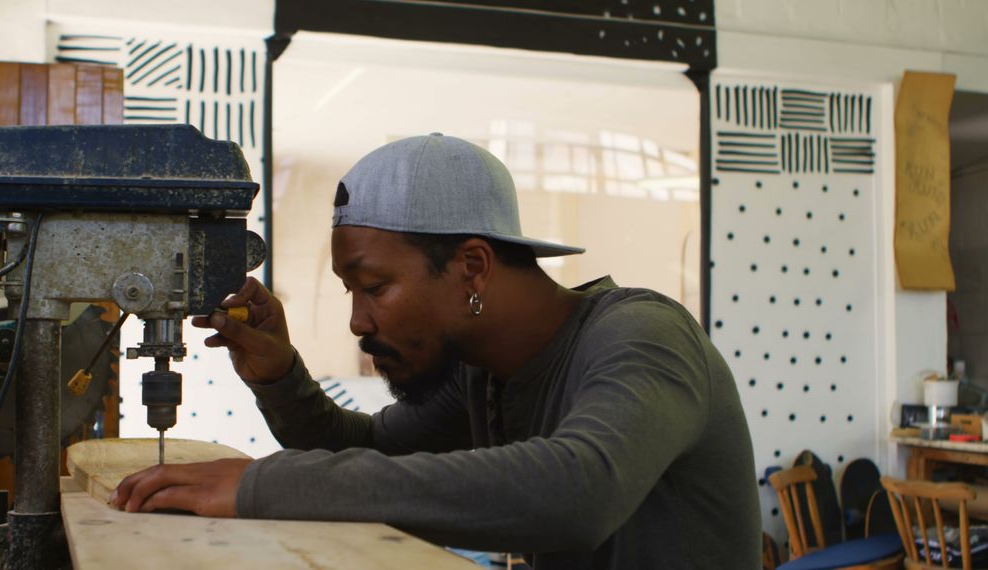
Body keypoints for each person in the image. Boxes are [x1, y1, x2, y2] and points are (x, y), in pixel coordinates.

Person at [112, 133, 761, 568]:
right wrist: (280, 375)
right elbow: (366, 453)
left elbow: (577, 492)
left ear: (472, 267)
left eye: (375, 287)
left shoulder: (642, 337)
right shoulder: (482, 372)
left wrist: (262, 486)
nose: (358, 322)